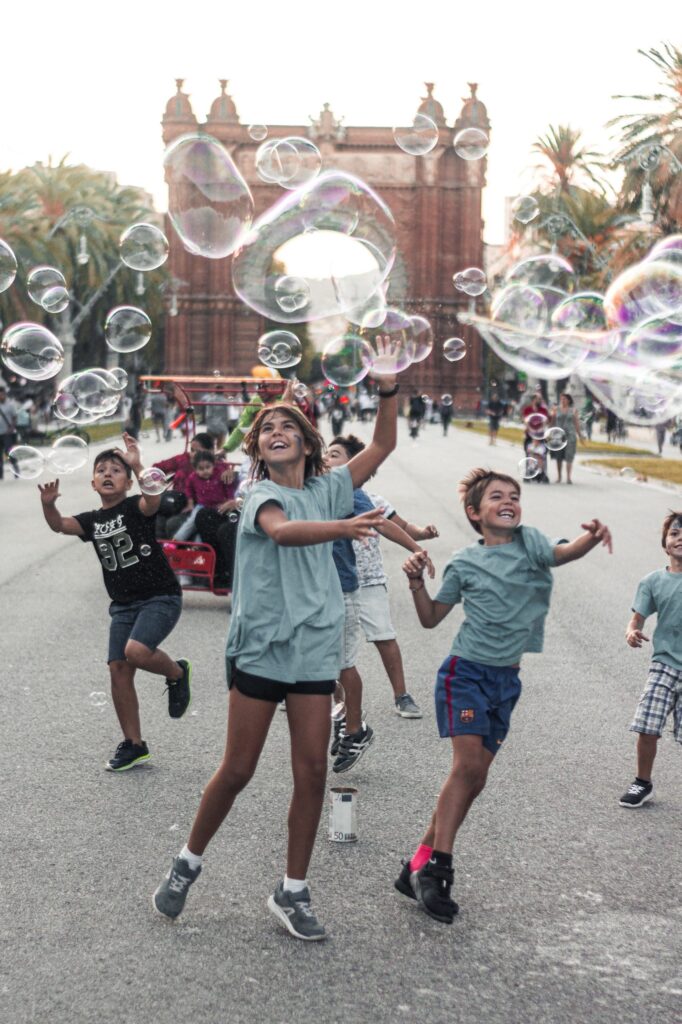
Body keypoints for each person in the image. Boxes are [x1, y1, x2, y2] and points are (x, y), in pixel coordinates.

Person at [153, 378, 400, 940]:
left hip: (313, 648)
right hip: (263, 646)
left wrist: (387, 389)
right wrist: (346, 526)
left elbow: (382, 445)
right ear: (258, 447)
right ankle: (187, 862)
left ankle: (292, 890)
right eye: (268, 428)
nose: (278, 432)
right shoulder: (263, 495)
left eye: (289, 426)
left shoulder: (330, 489)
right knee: (237, 770)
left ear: (310, 444)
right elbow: (284, 533)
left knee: (312, 772)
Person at [395, 467, 612, 924]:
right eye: (497, 496)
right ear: (476, 513)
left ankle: (414, 865)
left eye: (514, 495)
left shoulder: (531, 543)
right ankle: (438, 870)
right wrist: (417, 583)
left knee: (474, 779)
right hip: (465, 674)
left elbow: (563, 553)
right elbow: (432, 618)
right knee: (467, 768)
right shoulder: (464, 563)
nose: (509, 501)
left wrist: (590, 538)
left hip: (506, 681)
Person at [37, 434, 192, 772]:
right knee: (118, 669)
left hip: (159, 596)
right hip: (122, 604)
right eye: (102, 470)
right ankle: (134, 744)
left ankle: (177, 672)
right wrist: (49, 505)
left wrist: (137, 464)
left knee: (135, 652)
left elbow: (154, 497)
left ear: (126, 481)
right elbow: (60, 525)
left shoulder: (135, 507)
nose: (108, 473)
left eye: (116, 470)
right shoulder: (91, 521)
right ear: (93, 482)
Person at [327, 434, 437, 725]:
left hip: (368, 580)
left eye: (335, 454)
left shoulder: (369, 500)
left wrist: (420, 540)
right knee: (335, 646)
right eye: (326, 453)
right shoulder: (319, 492)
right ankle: (330, 697)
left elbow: (393, 525)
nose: (327, 458)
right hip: (333, 583)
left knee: (384, 637)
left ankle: (401, 694)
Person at [620, 510, 682, 808]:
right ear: (664, 543)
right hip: (665, 664)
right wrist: (632, 632)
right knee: (647, 724)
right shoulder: (653, 581)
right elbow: (636, 621)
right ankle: (642, 782)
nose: (680, 537)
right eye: (674, 533)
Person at [153, 432, 215, 537]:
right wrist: (159, 478)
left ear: (209, 451)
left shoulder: (211, 466)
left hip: (195, 507)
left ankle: (174, 549)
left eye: (197, 451)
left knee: (172, 524)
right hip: (175, 502)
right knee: (157, 516)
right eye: (192, 450)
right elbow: (157, 467)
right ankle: (160, 549)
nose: (193, 454)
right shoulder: (183, 459)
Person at [549, 392, 583, 484]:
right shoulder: (556, 409)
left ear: (568, 400)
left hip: (570, 436)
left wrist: (580, 436)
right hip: (558, 436)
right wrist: (549, 433)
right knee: (558, 457)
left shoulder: (574, 410)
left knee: (569, 456)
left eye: (564, 399)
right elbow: (552, 422)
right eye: (561, 399)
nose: (562, 400)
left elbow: (576, 423)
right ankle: (559, 476)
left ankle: (568, 477)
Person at [0, 384, 18, 479]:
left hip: (7, 434)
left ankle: (16, 470)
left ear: (5, 394)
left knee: (9, 453)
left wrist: (11, 429)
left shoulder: (10, 404)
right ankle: (0, 475)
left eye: (2, 394)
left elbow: (15, 417)